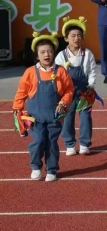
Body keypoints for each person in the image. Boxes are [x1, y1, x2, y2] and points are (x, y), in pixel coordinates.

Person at [13, 31, 74, 182]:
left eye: (50, 51)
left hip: (54, 117)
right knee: (39, 141)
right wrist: (17, 109)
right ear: (37, 55)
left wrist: (63, 103)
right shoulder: (30, 72)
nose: (47, 55)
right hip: (35, 118)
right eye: (43, 52)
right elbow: (21, 92)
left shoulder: (61, 71)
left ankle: (52, 170)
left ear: (54, 53)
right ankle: (35, 166)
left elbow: (69, 90)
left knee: (51, 143)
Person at [55, 16, 97, 156]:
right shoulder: (61, 56)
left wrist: (91, 85)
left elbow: (92, 71)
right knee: (67, 117)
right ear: (66, 38)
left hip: (84, 91)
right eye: (73, 36)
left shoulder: (88, 54)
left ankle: (84, 144)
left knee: (86, 117)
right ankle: (70, 145)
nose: (76, 38)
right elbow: (58, 74)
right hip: (67, 92)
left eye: (79, 35)